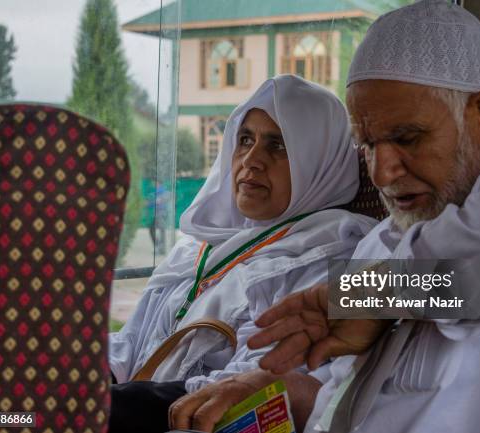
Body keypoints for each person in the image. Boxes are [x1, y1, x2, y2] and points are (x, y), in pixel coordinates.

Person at [171, 2, 480, 433]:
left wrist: (369, 297)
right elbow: (342, 397)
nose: (382, 173)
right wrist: (278, 388)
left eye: (407, 138)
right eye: (366, 145)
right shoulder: (381, 242)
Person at [108, 74, 377, 432]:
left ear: (319, 161)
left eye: (278, 145)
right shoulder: (200, 247)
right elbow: (130, 345)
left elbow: (244, 390)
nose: (251, 160)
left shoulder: (334, 254)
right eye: (245, 139)